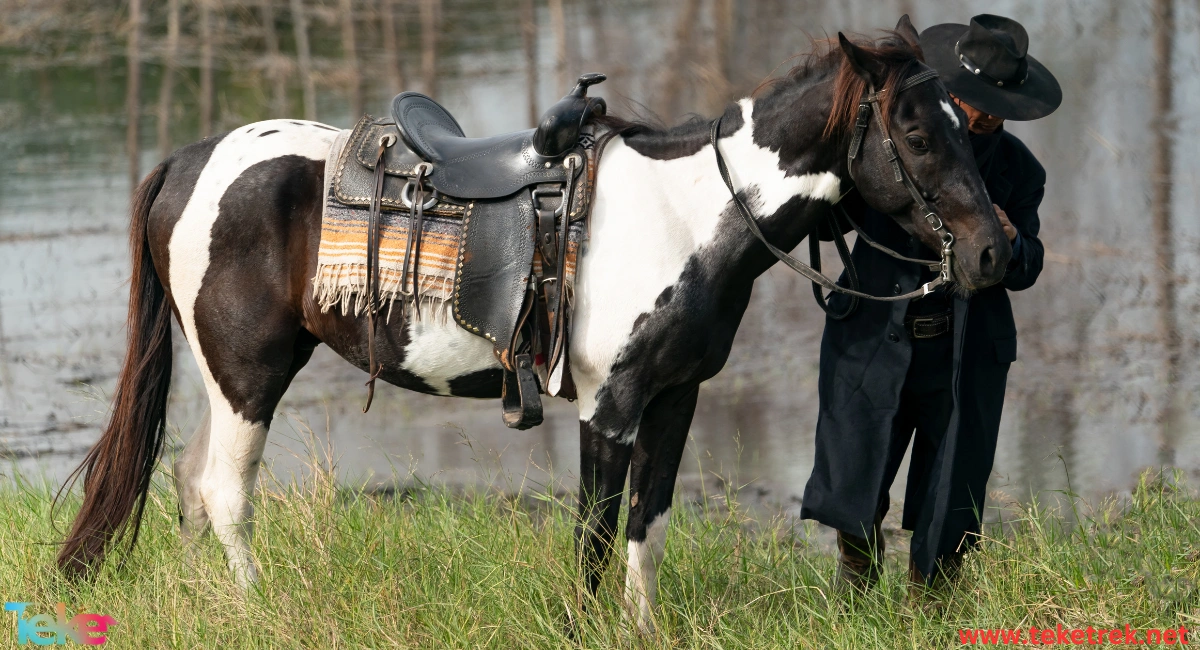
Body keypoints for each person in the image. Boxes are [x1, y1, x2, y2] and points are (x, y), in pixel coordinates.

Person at [800, 14, 1061, 591]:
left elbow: (1029, 266)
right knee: (854, 486)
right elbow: (824, 225)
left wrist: (1014, 242)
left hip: (963, 355)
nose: (984, 113)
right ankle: (853, 600)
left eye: (997, 103)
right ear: (950, 88)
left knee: (950, 501)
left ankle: (932, 612)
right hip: (872, 343)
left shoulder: (1021, 170)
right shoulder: (892, 136)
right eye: (973, 99)